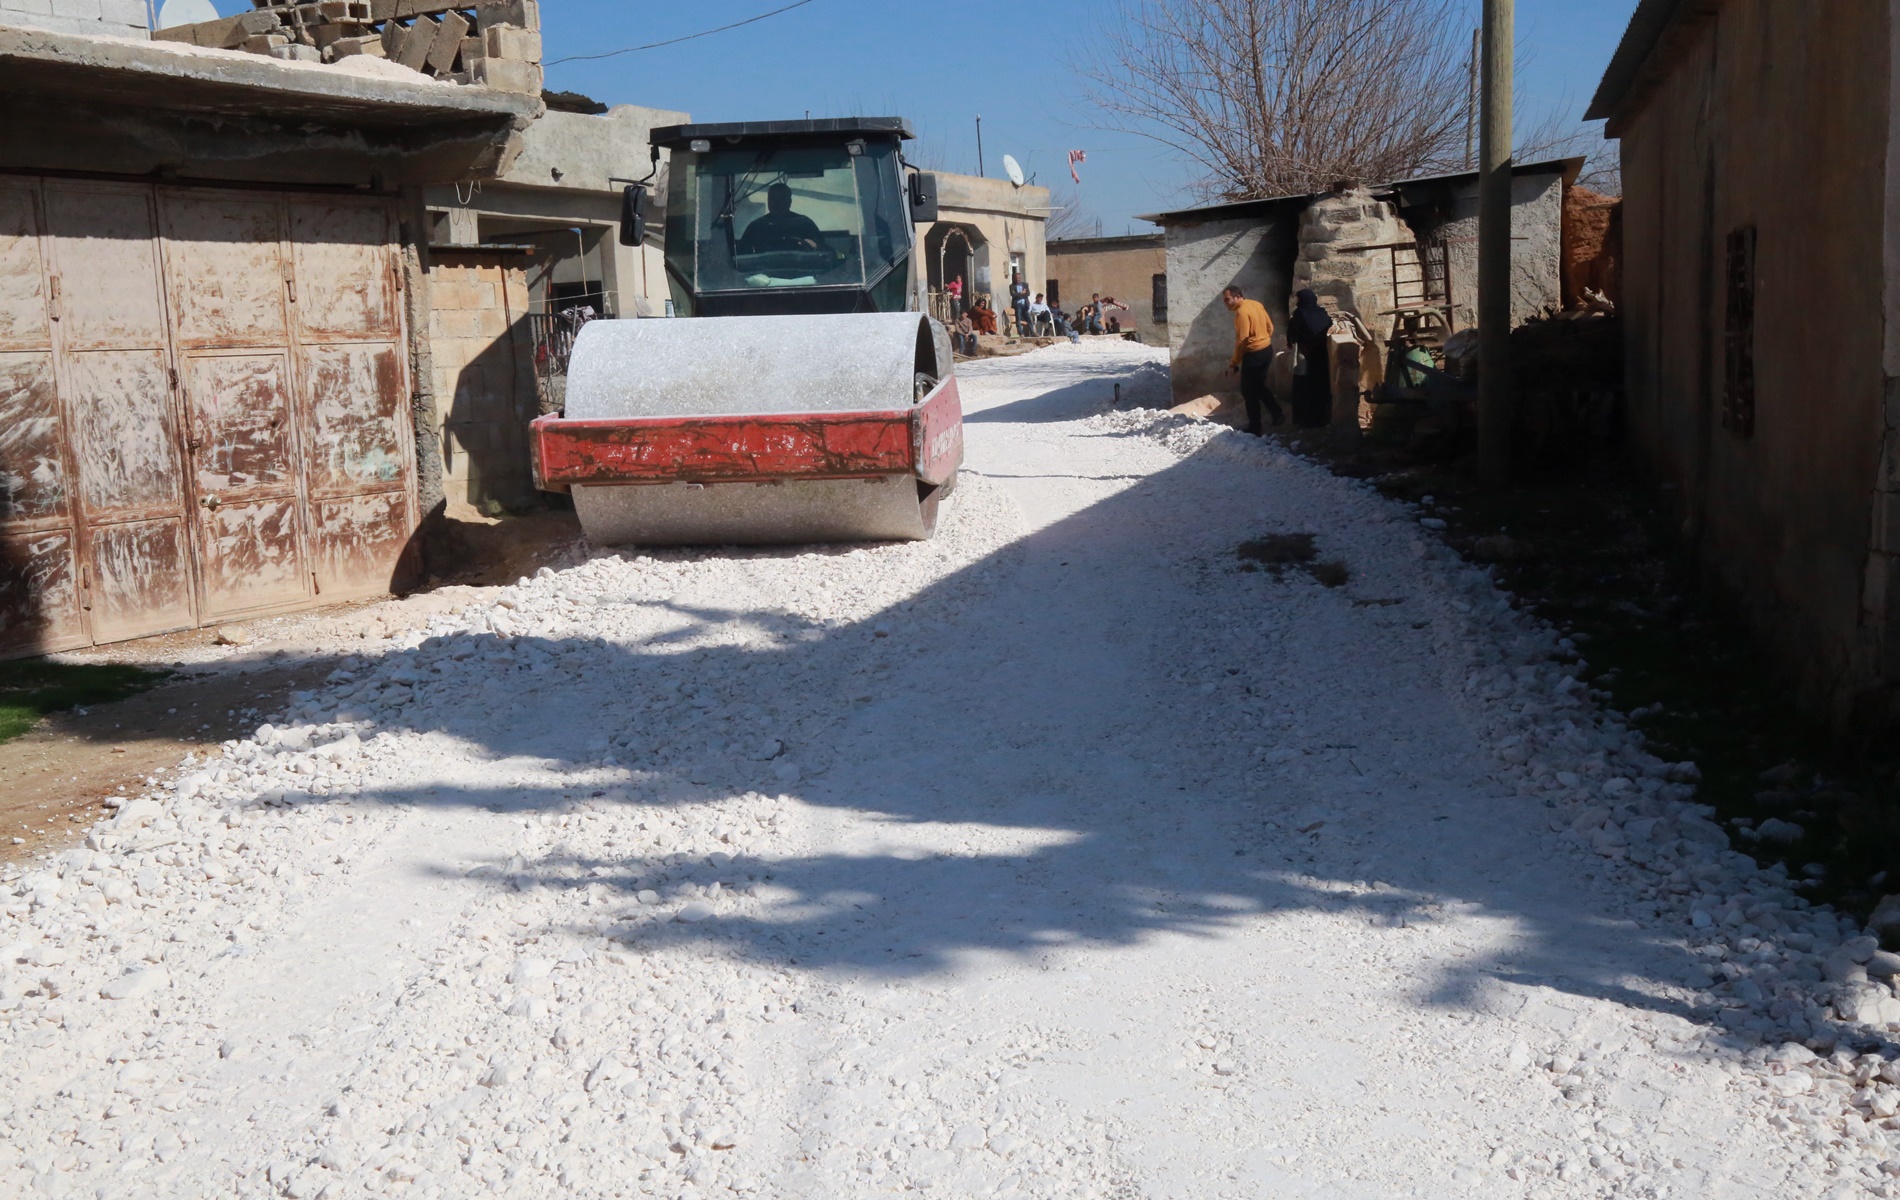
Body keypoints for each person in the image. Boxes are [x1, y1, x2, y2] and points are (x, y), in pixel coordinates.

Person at [1222, 284, 1280, 434]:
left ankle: (1255, 427)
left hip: (1254, 354)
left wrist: (1234, 363)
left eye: (1227, 299)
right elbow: (1270, 327)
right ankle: (1277, 414)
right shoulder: (1256, 304)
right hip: (1266, 349)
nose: (1225, 302)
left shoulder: (1242, 312)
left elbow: (1242, 340)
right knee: (1258, 386)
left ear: (1237, 296)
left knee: (1249, 391)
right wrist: (1263, 339)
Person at [1287, 287, 1335, 428]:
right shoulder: (1322, 313)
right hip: (1322, 357)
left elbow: (1293, 335)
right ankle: (1322, 419)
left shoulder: (1299, 314)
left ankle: (1304, 421)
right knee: (1320, 388)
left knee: (1303, 389)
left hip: (1305, 357)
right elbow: (1328, 328)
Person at [737, 182, 824, 255]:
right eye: (773, 199)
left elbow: (824, 249)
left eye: (781, 199)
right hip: (763, 273)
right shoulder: (756, 226)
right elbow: (741, 255)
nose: (777, 203)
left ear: (789, 202)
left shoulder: (805, 224)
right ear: (768, 201)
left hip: (802, 273)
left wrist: (814, 244)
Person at [1009, 271, 1031, 336]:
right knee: (1018, 318)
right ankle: (1021, 333)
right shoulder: (1012, 286)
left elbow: (1027, 294)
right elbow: (1013, 294)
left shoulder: (1025, 285)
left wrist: (1018, 295)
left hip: (1024, 304)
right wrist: (1021, 293)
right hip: (1017, 304)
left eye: (1018, 278)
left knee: (1029, 318)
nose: (1017, 280)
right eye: (1016, 279)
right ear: (1014, 279)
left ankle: (1032, 332)